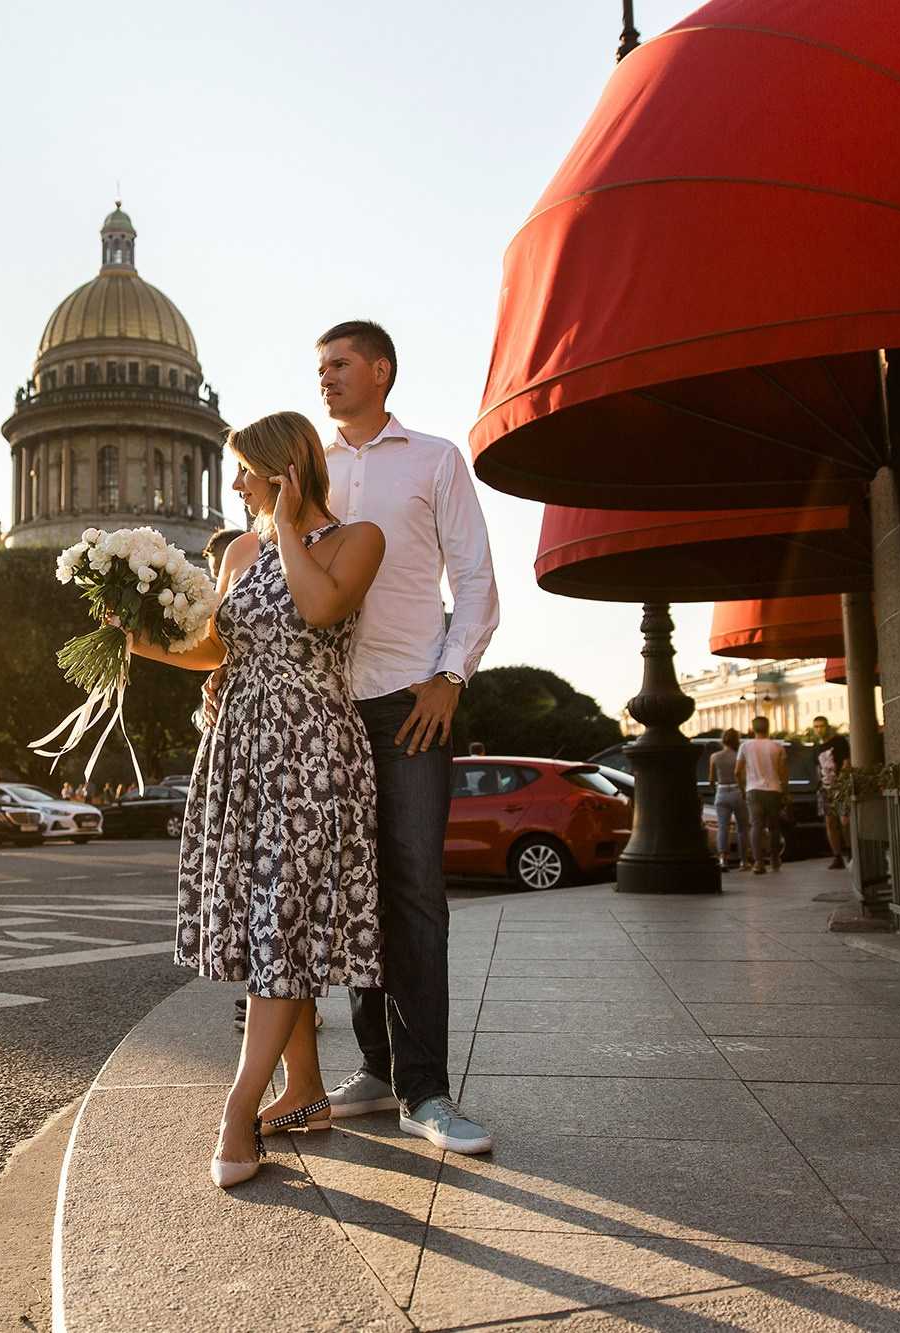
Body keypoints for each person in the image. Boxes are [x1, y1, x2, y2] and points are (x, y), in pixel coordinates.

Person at [126, 409, 386, 1189]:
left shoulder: (356, 540)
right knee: (271, 923)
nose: (233, 483)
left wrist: (286, 523)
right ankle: (303, 1091)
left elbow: (315, 609)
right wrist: (137, 639)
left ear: (284, 471)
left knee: (285, 920)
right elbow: (221, 643)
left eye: (245, 469)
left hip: (312, 752)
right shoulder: (239, 550)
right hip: (241, 749)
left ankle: (239, 1109)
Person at [315, 320, 501, 1155]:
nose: (325, 378)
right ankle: (378, 1068)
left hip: (409, 702)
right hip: (323, 707)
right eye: (318, 368)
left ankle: (427, 1092)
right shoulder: (306, 469)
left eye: (339, 364)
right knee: (353, 891)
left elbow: (475, 578)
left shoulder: (433, 459)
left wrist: (451, 673)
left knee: (416, 891)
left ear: (380, 370)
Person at [737, 716, 787, 874]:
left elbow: (737, 771)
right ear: (768, 728)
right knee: (774, 827)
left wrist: (743, 788)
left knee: (756, 826)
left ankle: (758, 862)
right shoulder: (778, 747)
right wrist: (786, 792)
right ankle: (775, 860)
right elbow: (783, 773)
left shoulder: (745, 746)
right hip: (774, 790)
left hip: (753, 790)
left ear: (753, 729)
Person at [811, 715, 851, 870]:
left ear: (827, 726)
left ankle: (850, 849)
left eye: (821, 726)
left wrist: (839, 782)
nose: (818, 729)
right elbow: (818, 767)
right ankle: (837, 856)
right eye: (816, 727)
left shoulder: (839, 741)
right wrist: (820, 783)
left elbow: (846, 762)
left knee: (845, 821)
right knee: (830, 822)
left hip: (840, 787)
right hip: (825, 788)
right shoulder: (816, 747)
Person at [709, 729, 744, 870]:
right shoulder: (739, 757)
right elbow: (741, 776)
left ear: (723, 740)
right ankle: (744, 860)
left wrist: (714, 790)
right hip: (736, 790)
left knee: (722, 827)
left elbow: (711, 779)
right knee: (742, 827)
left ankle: (723, 858)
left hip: (721, 791)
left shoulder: (715, 757)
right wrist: (742, 791)